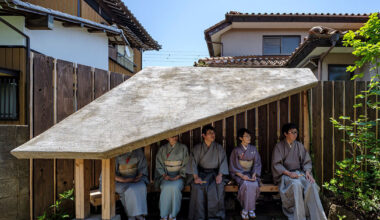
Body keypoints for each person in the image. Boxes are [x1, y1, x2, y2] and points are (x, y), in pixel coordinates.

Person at [272, 123, 327, 220]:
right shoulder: (279, 146)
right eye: (292, 132)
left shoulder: (299, 146)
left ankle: (317, 217)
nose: (294, 134)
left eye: (296, 132)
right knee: (296, 185)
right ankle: (299, 217)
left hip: (299, 173)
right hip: (286, 175)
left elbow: (306, 162)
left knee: (311, 184)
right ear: (285, 134)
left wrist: (307, 173)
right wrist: (289, 173)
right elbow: (277, 164)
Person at [186, 125, 229, 220]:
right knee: (197, 187)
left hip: (215, 174)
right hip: (201, 173)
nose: (212, 135)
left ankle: (215, 216)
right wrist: (196, 177)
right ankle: (198, 216)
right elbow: (192, 163)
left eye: (213, 133)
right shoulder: (197, 148)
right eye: (209, 133)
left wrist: (220, 175)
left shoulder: (219, 148)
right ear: (203, 135)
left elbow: (223, 162)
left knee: (218, 186)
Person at [100, 148, 148, 220]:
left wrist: (139, 176)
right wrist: (125, 180)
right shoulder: (115, 152)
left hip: (134, 179)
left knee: (141, 186)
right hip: (117, 181)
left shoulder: (138, 151)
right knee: (130, 189)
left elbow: (142, 168)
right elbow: (110, 174)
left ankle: (139, 214)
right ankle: (131, 216)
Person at [229, 128, 261, 219]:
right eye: (246, 136)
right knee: (246, 185)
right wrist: (242, 175)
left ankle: (249, 209)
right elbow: (233, 165)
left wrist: (255, 173)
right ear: (240, 138)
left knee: (254, 184)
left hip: (251, 173)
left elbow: (257, 163)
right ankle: (246, 209)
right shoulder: (236, 150)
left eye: (249, 136)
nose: (249, 138)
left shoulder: (254, 149)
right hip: (239, 174)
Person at [155, 136, 189, 220]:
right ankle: (164, 214)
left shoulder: (183, 148)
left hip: (179, 177)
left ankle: (173, 214)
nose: (174, 138)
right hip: (166, 177)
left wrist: (180, 175)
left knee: (174, 187)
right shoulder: (162, 149)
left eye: (175, 136)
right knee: (165, 187)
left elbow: (186, 163)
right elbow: (159, 164)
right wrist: (164, 175)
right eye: (171, 136)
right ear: (167, 138)